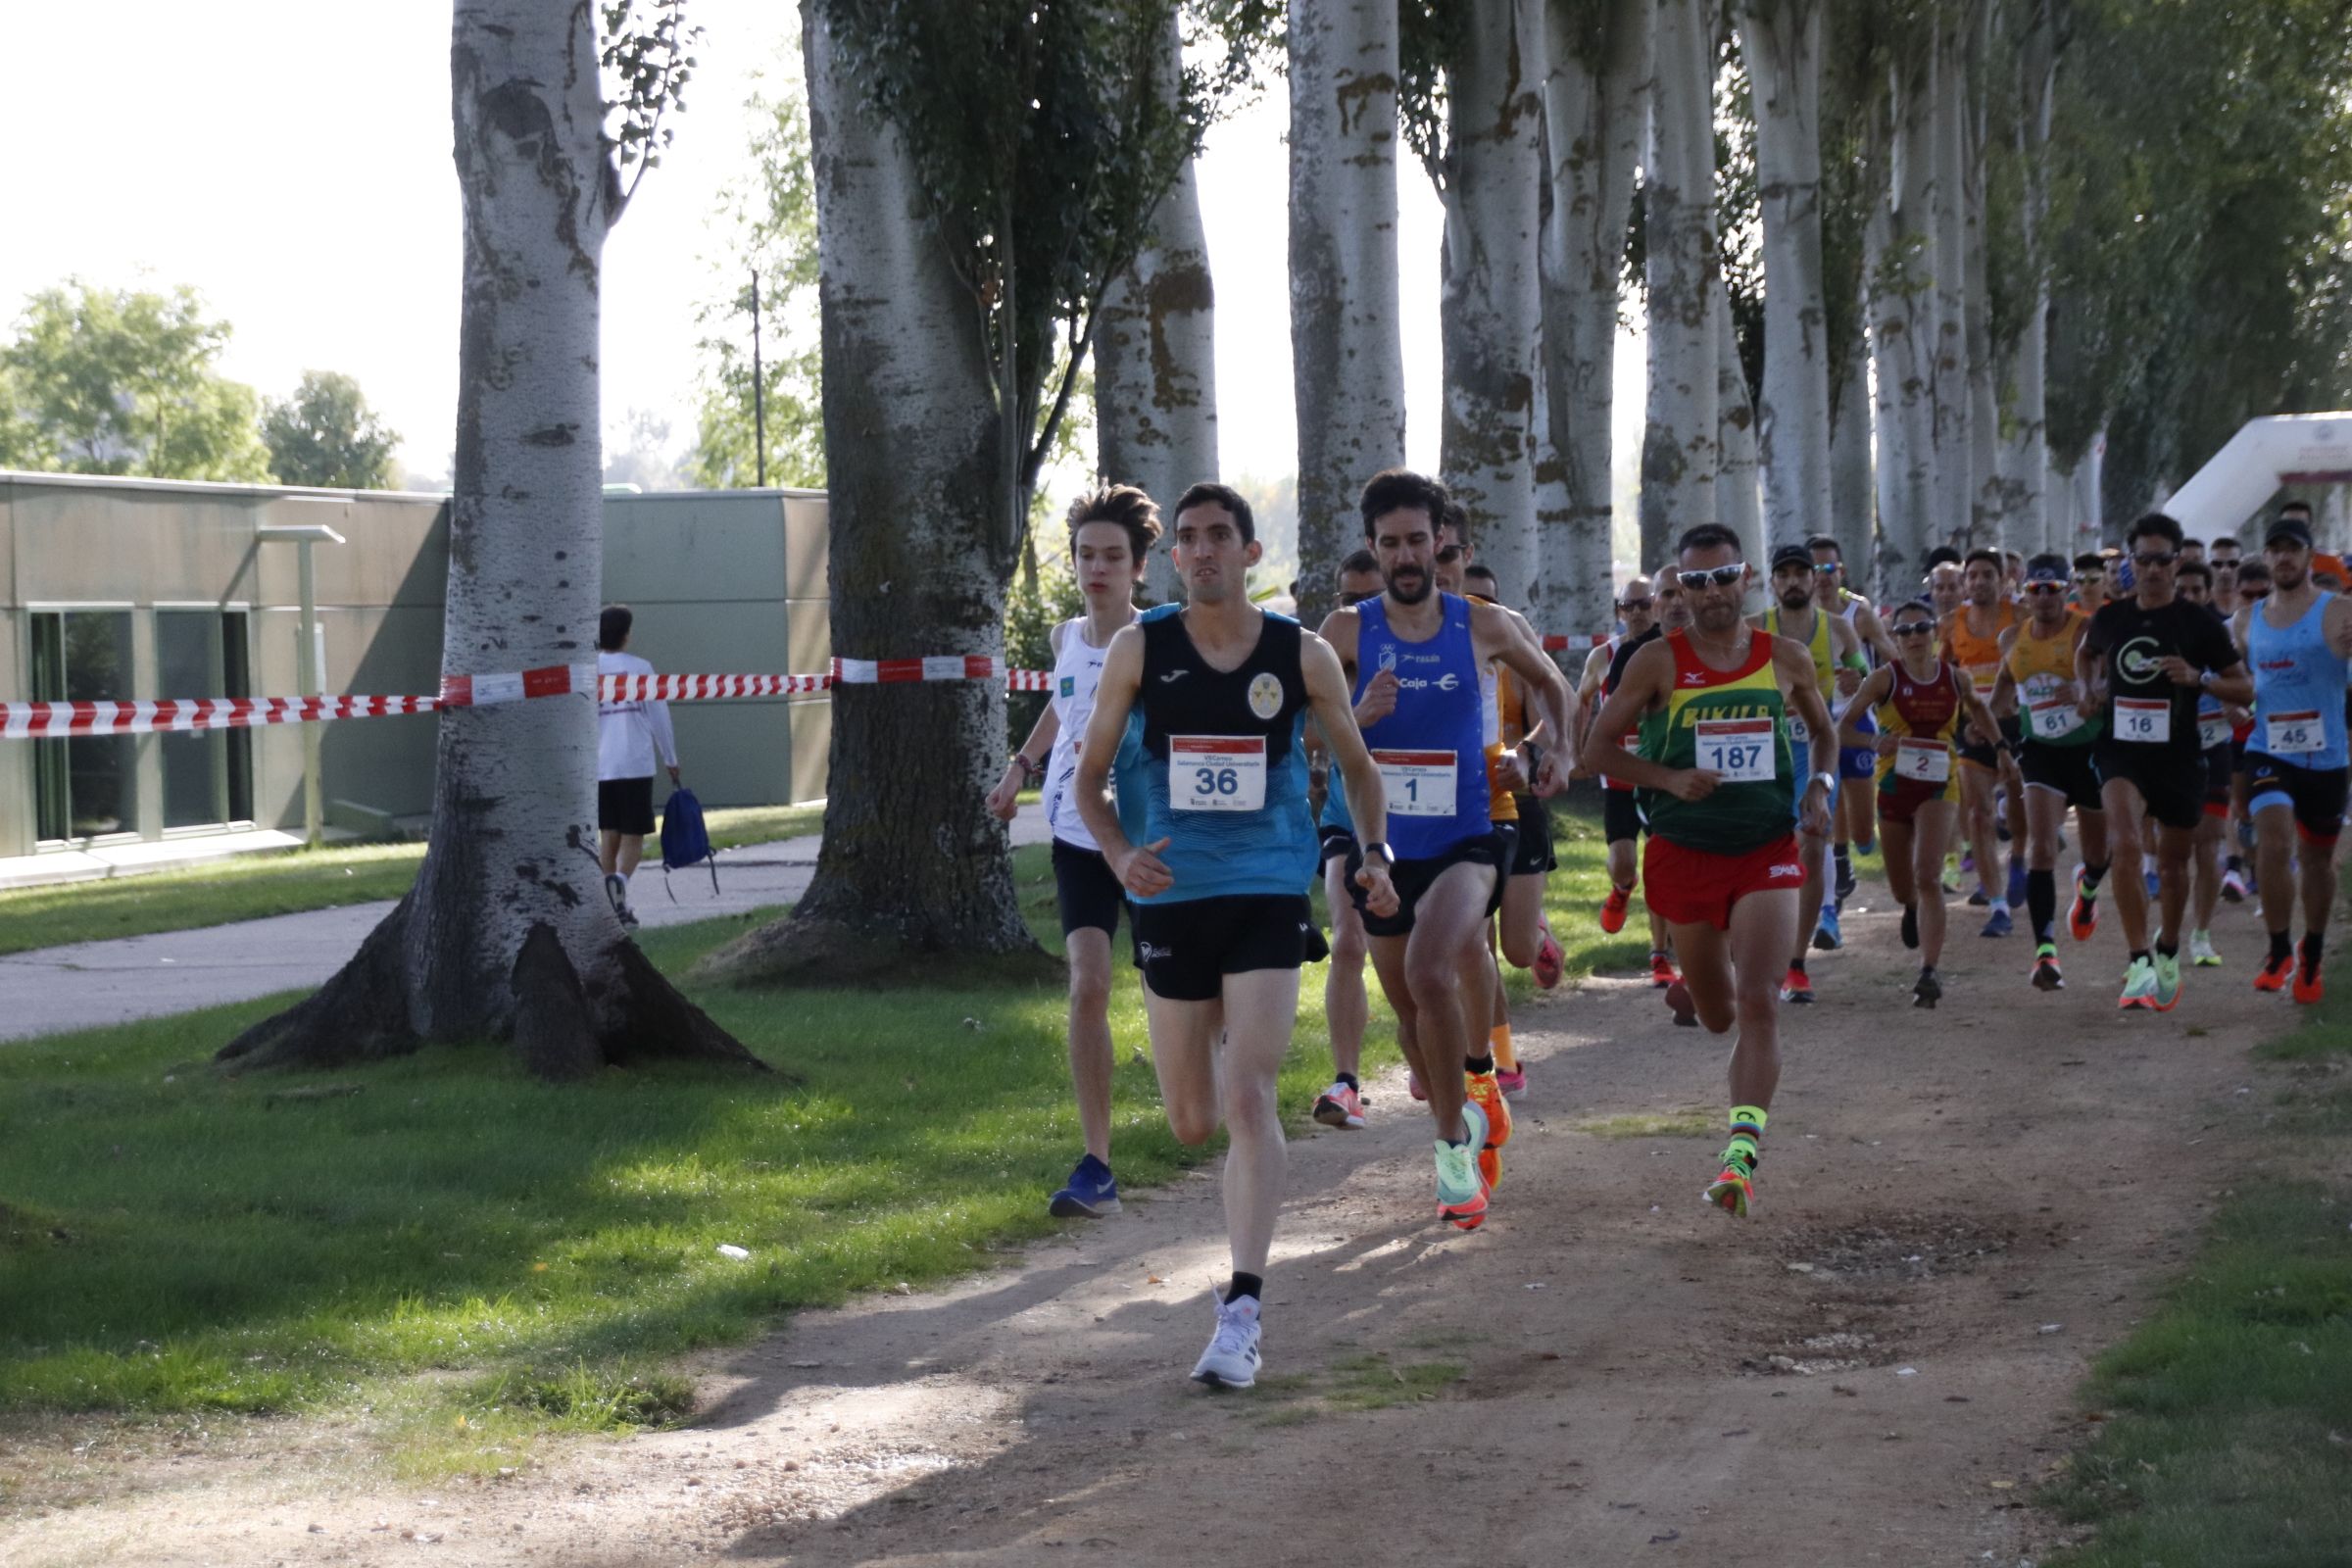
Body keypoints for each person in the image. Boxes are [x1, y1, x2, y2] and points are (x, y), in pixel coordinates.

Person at [1074, 480, 1397, 1389]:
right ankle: (1214, 1062)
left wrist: (1373, 853)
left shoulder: (1300, 656)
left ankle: (1243, 1308)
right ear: (1173, 557)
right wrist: (1118, 853)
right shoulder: (1142, 648)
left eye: (1221, 535)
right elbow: (1089, 782)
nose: (1204, 550)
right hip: (1173, 894)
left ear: (1252, 553)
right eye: (1188, 538)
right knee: (1191, 1122)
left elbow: (1362, 775)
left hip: (1264, 886)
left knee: (1251, 1099)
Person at [1320, 469, 1572, 1229]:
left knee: (1435, 969)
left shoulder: (1483, 624)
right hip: (1383, 844)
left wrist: (1543, 749)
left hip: (1470, 834)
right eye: (1390, 542)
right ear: (1373, 545)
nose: (1404, 555)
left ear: (1441, 544)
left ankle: (1451, 1153)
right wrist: (1356, 713)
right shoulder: (1343, 633)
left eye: (1417, 540)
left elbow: (1556, 683)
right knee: (1408, 1006)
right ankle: (1474, 1082)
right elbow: (1303, 734)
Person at [1583, 524, 1838, 1218]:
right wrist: (1667, 777)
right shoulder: (1656, 663)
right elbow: (1596, 751)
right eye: (1696, 582)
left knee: (1759, 1000)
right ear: (1681, 590)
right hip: (1683, 855)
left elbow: (1823, 731)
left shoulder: (1784, 658)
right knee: (1722, 1015)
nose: (1712, 593)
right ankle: (1702, 988)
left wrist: (1820, 785)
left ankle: (1741, 1156)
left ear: (1745, 577)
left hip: (1766, 849)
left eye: (1724, 577)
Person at [989, 485, 1159, 1218]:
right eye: (1086, 554)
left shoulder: (1159, 640)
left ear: (1139, 566)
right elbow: (1062, 708)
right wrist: (1019, 767)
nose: (1097, 568)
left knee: (1178, 995)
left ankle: (1226, 1091)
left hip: (1148, 841)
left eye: (1112, 557)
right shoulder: (1065, 637)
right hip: (1074, 839)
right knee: (1088, 985)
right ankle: (1097, 1165)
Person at [2078, 513, 2254, 1011]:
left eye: (2162, 559)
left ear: (2178, 562)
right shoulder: (2111, 617)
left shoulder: (2199, 624)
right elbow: (2086, 654)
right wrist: (2087, 686)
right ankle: (2138, 962)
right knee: (2127, 845)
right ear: (2130, 562)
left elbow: (2244, 687)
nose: (2153, 568)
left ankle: (2169, 947)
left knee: (2175, 866)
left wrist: (2198, 679)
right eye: (2143, 559)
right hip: (2120, 751)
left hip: (2179, 755)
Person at [1844, 598, 1996, 1004]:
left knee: (1927, 874)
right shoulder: (1882, 679)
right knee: (1902, 887)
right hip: (1894, 784)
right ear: (1894, 638)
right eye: (1904, 631)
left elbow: (1980, 710)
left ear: (1935, 632)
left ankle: (1929, 970)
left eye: (1921, 628)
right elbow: (1842, 728)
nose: (1913, 637)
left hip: (1939, 783)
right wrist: (1876, 740)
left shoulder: (1955, 679)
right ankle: (1909, 906)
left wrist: (2002, 749)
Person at [2241, 514, 2352, 1004]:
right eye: (2275, 549)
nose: (2283, 557)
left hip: (2326, 754)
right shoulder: (2248, 618)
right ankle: (2279, 948)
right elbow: (2232, 673)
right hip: (2268, 748)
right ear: (2266, 558)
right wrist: (2227, 698)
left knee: (2318, 861)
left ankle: (2312, 951)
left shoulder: (2338, 610)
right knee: (2274, 838)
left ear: (2310, 556)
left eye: (2293, 548)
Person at [1466, 560, 1567, 1098]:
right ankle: (1502, 1062)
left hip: (1520, 803)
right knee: (1475, 946)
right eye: (1468, 595)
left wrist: (1526, 751)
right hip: (1469, 810)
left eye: (1487, 597)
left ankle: (1539, 927)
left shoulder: (1510, 648)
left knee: (1519, 953)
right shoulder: (1437, 647)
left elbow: (1549, 709)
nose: (1477, 604)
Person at [1989, 554, 2108, 991]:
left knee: (2098, 854)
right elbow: (2005, 685)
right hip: (2040, 751)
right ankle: (2045, 952)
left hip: (2089, 749)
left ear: (2067, 590)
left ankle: (2088, 889)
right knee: (2041, 847)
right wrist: (1986, 722)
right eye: (2035, 590)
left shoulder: (2087, 630)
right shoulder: (2011, 638)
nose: (2043, 598)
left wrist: (2086, 692)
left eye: (2052, 590)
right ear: (2025, 594)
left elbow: (2110, 682)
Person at [1754, 543, 1864, 1003]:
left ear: (1815, 578)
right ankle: (1755, 942)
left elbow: (1861, 668)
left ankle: (1796, 963)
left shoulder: (1837, 627)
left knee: (1814, 843)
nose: (1795, 581)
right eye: (1785, 574)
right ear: (1773, 581)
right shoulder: (1755, 628)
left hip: (1814, 747)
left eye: (1803, 572)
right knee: (1760, 849)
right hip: (1764, 751)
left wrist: (1854, 678)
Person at [1308, 552, 1390, 1133]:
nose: (1354, 609)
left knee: (1422, 958)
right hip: (1344, 816)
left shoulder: (1421, 644)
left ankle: (1471, 1065)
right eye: (1345, 598)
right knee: (1348, 938)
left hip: (1419, 824)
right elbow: (1298, 728)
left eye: (1367, 596)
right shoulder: (1329, 656)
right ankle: (1347, 1081)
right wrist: (1355, 716)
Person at [1940, 549, 2027, 936]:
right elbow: (1943, 674)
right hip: (1973, 729)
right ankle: (1997, 905)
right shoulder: (1950, 624)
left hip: (2016, 725)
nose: (1978, 582)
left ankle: (2021, 859)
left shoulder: (2020, 618)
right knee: (1978, 813)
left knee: (2020, 814)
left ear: (2003, 579)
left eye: (1986, 575)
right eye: (1971, 575)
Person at [1811, 535, 1894, 921]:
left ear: (1840, 571)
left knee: (1864, 830)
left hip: (1857, 719)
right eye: (1814, 569)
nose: (1821, 576)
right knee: (1830, 791)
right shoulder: (1794, 617)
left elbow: (1891, 661)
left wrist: (1863, 684)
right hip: (1818, 723)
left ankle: (1854, 846)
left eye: (1829, 568)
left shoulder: (1858, 614)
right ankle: (1837, 861)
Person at [595, 604, 680, 928]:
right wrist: (670, 758)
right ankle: (621, 884)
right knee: (633, 835)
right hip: (636, 762)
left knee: (609, 833)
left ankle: (608, 904)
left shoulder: (590, 670)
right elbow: (659, 715)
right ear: (626, 635)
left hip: (602, 764)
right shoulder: (641, 669)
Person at [2173, 561, 2234, 967]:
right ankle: (2168, 930)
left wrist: (2233, 702)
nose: (2191, 597)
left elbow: (2245, 681)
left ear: (2209, 593)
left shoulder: (2221, 634)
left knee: (2209, 842)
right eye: (2184, 591)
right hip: (2169, 751)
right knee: (2171, 849)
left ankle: (2201, 934)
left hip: (2214, 743)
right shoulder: (2157, 633)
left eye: (2198, 590)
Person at [2072, 553, 2110, 617]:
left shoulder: (2118, 612)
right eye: (2080, 581)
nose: (2086, 587)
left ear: (2105, 582)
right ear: (2074, 584)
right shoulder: (2064, 614)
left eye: (2093, 580)